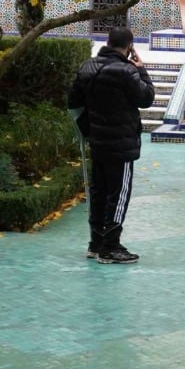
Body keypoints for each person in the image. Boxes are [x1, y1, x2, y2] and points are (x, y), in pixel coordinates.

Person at [67, 26, 156, 264]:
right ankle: (111, 246)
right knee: (119, 194)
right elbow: (146, 98)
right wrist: (142, 69)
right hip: (122, 143)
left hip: (97, 141)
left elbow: (73, 102)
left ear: (107, 41)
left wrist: (88, 130)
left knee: (98, 192)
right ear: (129, 48)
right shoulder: (127, 71)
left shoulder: (87, 67)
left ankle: (95, 243)